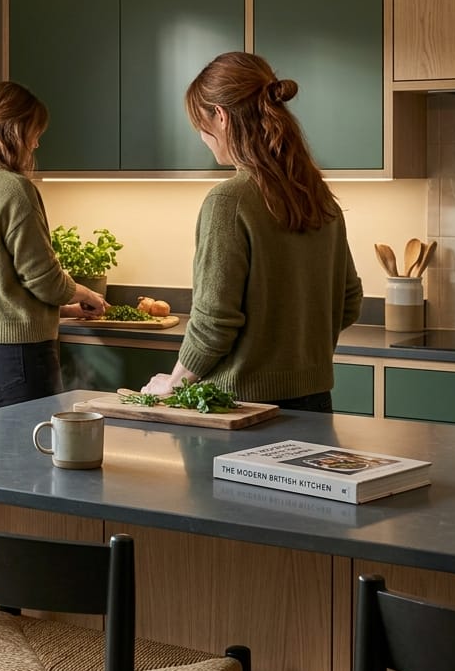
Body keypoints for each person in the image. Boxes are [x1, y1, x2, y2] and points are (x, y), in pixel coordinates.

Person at [142, 52, 363, 411]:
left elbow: (214, 322)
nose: (202, 137)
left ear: (221, 116)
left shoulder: (229, 201)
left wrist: (173, 383)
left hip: (239, 408)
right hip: (315, 402)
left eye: (200, 123)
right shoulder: (318, 196)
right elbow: (349, 301)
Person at [0, 81, 107, 413]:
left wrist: (66, 311)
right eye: (34, 132)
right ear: (16, 131)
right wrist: (85, 293)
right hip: (15, 353)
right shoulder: (14, 188)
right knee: (36, 442)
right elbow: (45, 280)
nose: (36, 142)